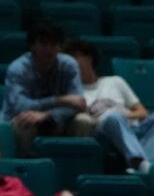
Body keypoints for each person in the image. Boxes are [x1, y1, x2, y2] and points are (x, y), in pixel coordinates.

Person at [68, 38, 154, 172]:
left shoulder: (115, 81)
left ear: (89, 58)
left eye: (75, 57)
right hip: (106, 130)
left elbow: (142, 112)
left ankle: (143, 165)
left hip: (132, 127)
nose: (71, 63)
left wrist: (125, 115)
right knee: (113, 117)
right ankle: (143, 163)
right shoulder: (75, 92)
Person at [6, 24, 94, 154]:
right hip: (25, 120)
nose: (49, 49)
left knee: (84, 120)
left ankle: (74, 166)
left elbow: (79, 104)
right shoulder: (18, 68)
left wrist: (47, 115)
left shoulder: (69, 65)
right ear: (32, 46)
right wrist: (59, 100)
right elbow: (18, 106)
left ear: (60, 47)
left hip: (58, 120)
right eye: (43, 43)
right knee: (23, 122)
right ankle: (29, 169)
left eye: (54, 44)